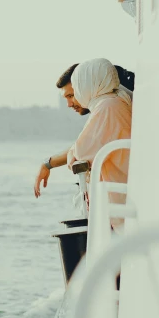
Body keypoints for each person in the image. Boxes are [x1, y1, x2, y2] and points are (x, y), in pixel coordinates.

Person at [33, 61, 134, 197]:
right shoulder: (115, 101)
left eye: (72, 95)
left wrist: (49, 163)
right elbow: (88, 143)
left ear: (87, 85)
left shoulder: (108, 107)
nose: (69, 104)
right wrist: (48, 163)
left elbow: (78, 153)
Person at [66, 58, 132, 225]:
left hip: (122, 197)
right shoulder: (118, 100)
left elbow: (81, 152)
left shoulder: (107, 107)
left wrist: (72, 151)